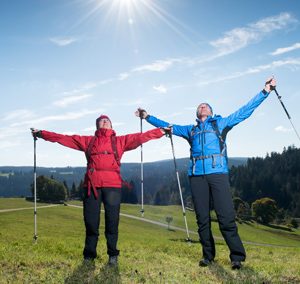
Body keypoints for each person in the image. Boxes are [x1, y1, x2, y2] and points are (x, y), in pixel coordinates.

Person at [135, 77, 277, 269]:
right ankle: (208, 256)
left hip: (218, 174)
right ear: (197, 113)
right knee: (202, 219)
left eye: (205, 105)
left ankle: (237, 257)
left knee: (226, 216)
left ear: (211, 111)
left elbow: (245, 111)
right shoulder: (190, 130)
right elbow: (167, 126)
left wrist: (265, 91)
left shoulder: (221, 123)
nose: (202, 107)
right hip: (196, 177)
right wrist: (147, 116)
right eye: (199, 106)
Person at [31, 114, 168, 266]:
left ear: (111, 125)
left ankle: (113, 255)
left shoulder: (120, 141)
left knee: (112, 223)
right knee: (90, 223)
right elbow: (64, 138)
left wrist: (161, 132)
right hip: (92, 186)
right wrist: (42, 134)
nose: (104, 121)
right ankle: (89, 256)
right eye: (101, 120)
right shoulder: (88, 141)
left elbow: (141, 137)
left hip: (113, 187)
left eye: (107, 120)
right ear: (97, 126)